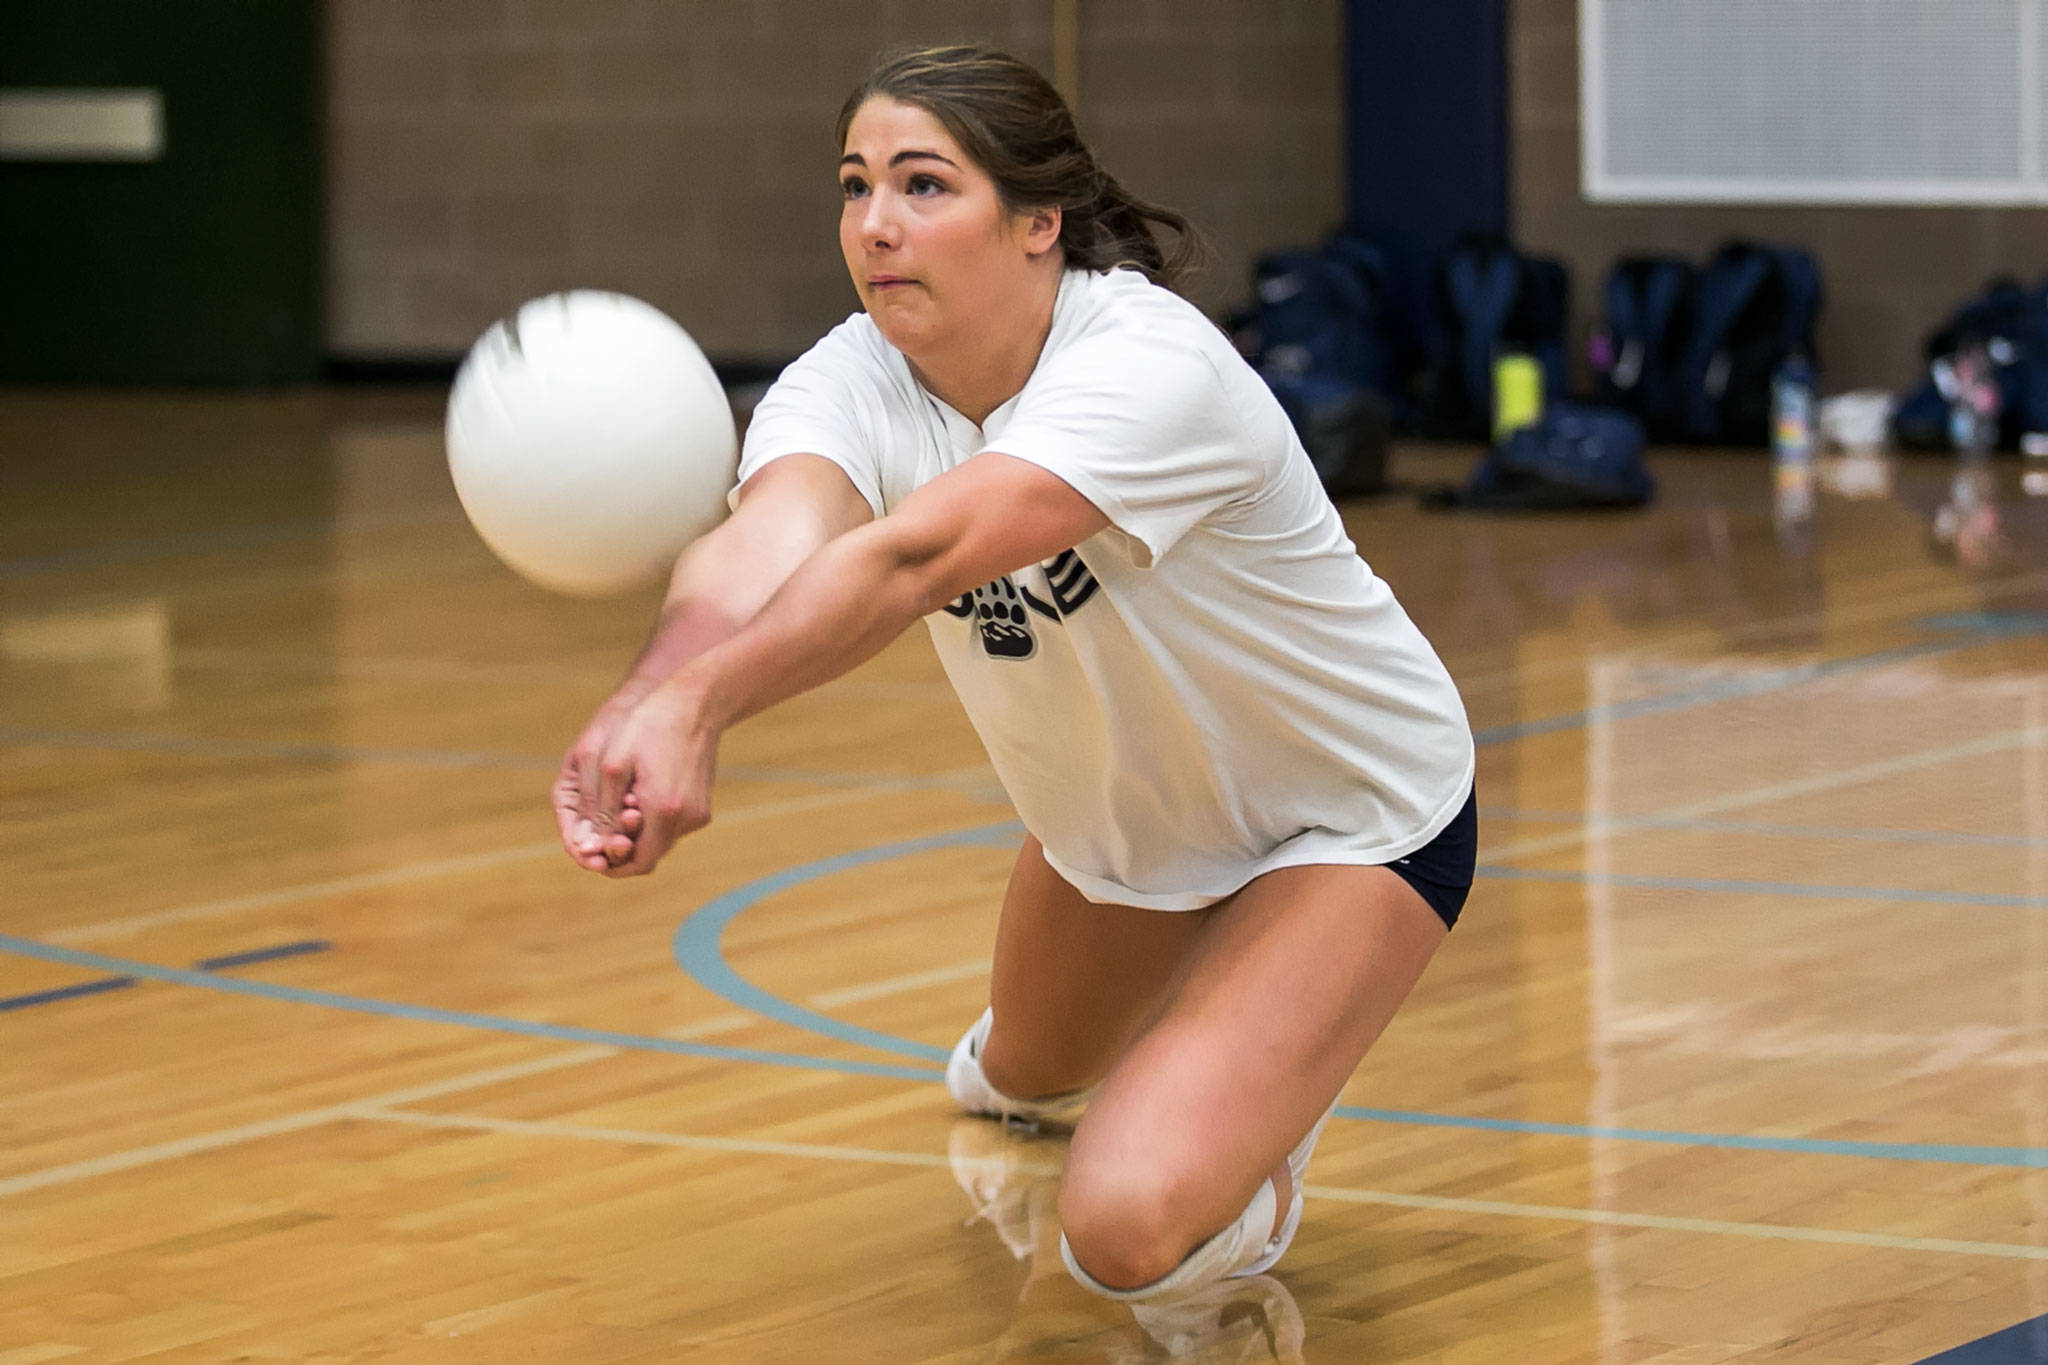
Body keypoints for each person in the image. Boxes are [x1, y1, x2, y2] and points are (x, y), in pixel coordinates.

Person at [553, 44, 1476, 1304]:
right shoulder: (852, 376)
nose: (875, 223)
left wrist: (704, 707)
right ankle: (1181, 1046)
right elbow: (760, 551)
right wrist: (641, 702)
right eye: (854, 184)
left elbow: (907, 558)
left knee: (1122, 1229)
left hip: (1348, 815)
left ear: (1038, 221)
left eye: (923, 185)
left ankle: (1252, 1134)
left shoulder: (1149, 369)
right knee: (1018, 1083)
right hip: (1126, 825)